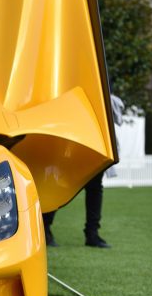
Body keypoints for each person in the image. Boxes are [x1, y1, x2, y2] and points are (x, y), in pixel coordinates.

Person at [44, 93, 124, 249]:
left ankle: (92, 234)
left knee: (94, 188)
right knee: (61, 185)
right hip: (75, 139)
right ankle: (46, 228)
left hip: (94, 142)